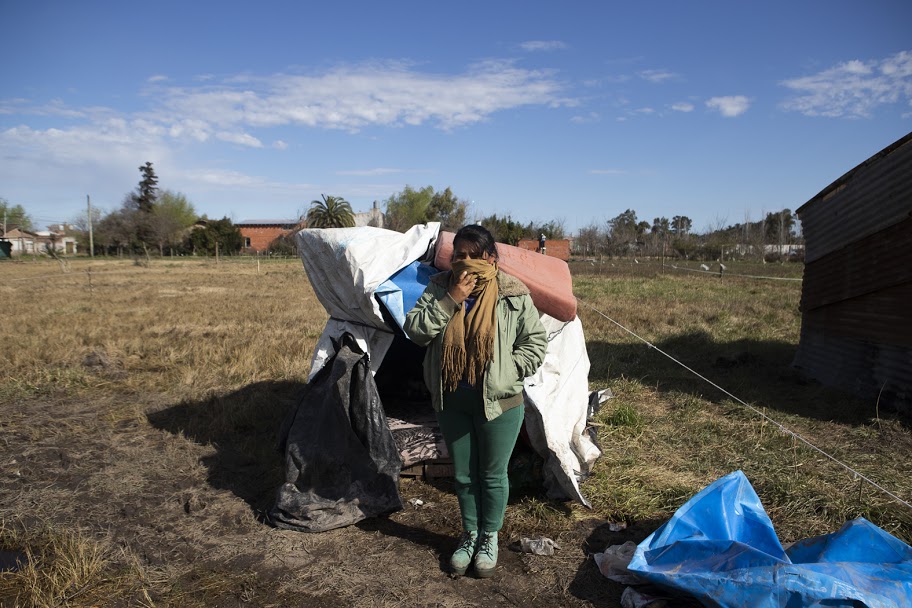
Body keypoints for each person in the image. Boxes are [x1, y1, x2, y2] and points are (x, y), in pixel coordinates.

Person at [404, 225, 547, 578]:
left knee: (493, 474)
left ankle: (489, 537)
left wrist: (508, 371)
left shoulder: (513, 293)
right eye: (458, 255)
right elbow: (417, 331)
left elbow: (536, 342)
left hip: (500, 402)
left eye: (472, 255)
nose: (464, 262)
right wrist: (451, 298)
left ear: (490, 258)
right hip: (453, 399)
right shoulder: (440, 287)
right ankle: (469, 535)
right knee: (465, 476)